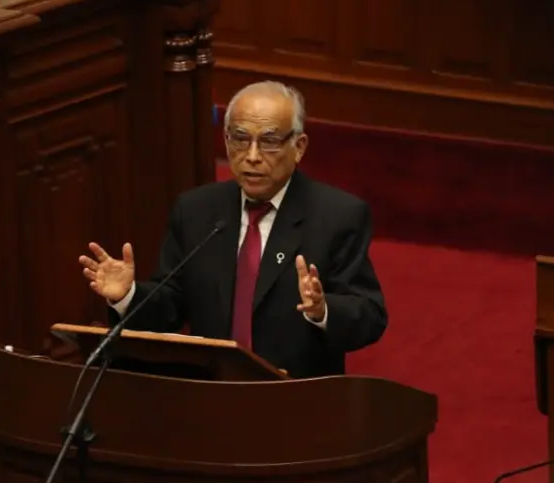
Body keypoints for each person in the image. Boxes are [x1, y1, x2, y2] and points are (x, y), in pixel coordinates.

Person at [78, 81, 386, 378]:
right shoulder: (197, 210)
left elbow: (370, 316)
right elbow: (170, 306)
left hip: (296, 401)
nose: (252, 156)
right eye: (240, 138)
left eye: (268, 141)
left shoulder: (337, 216)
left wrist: (323, 310)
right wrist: (127, 297)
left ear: (299, 146)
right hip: (213, 398)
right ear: (226, 141)